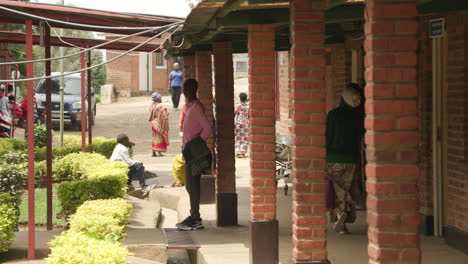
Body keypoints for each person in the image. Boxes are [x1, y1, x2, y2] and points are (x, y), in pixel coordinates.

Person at [326, 83, 365, 234]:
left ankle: (339, 214)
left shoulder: (333, 115)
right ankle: (345, 219)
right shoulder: (359, 116)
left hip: (333, 158)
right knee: (348, 188)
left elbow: (327, 137)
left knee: (337, 189)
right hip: (352, 158)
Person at [176, 78, 212, 231]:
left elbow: (207, 129)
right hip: (189, 153)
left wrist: (195, 144)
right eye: (185, 88)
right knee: (190, 186)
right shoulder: (190, 106)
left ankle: (196, 219)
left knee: (193, 185)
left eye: (187, 88)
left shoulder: (196, 108)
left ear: (193, 90)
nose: (185, 91)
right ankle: (193, 216)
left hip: (194, 153)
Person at [149, 92, 169, 157]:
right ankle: (159, 152)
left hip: (153, 123)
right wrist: (167, 114)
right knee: (160, 137)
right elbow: (163, 115)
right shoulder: (160, 106)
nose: (161, 99)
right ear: (157, 99)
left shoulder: (152, 105)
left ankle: (153, 152)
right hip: (158, 124)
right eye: (160, 97)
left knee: (154, 137)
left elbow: (151, 116)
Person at [234, 92, 250, 158]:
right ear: (246, 99)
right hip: (246, 124)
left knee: (238, 138)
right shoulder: (248, 107)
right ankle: (242, 153)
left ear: (240, 98)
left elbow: (234, 114)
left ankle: (238, 151)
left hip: (237, 124)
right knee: (245, 139)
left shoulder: (237, 106)